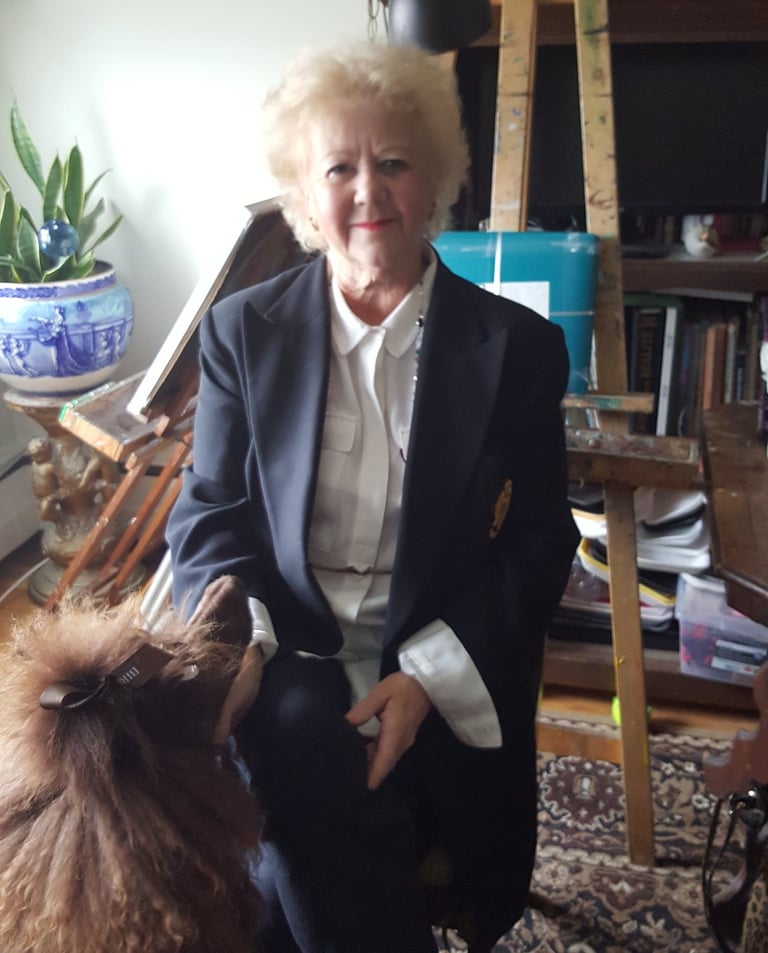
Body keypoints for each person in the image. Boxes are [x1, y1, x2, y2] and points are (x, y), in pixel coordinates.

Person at [167, 40, 580, 953]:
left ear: (435, 179)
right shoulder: (244, 332)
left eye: (393, 162)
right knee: (288, 728)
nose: (367, 192)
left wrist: (427, 680)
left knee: (291, 793)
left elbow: (542, 543)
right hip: (288, 647)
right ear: (304, 197)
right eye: (339, 168)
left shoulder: (516, 349)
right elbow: (209, 516)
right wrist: (243, 638)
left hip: (434, 652)